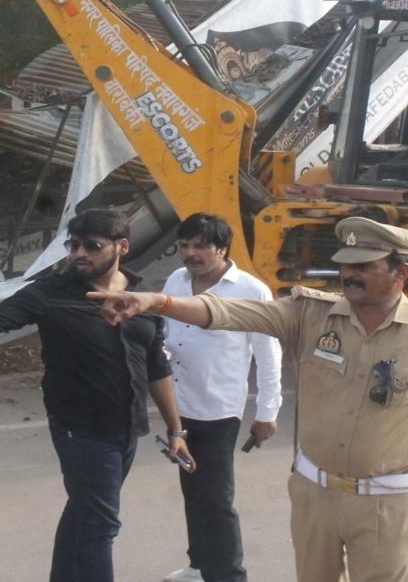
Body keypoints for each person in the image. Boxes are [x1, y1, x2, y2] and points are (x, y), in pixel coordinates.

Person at [89, 217, 408, 582]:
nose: (349, 275)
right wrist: (158, 302)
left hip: (385, 503)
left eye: (363, 266)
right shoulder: (309, 314)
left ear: (401, 271)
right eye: (345, 265)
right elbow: (230, 312)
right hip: (314, 495)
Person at [0, 208, 193, 582]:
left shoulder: (142, 299)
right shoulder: (49, 294)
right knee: (101, 525)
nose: (80, 253)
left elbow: (156, 367)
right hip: (81, 430)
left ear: (121, 247)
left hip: (128, 428)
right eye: (74, 246)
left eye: (92, 246)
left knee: (85, 514)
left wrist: (176, 430)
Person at [161, 213, 282, 582]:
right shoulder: (175, 280)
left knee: (215, 499)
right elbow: (168, 336)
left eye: (200, 246)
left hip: (218, 409)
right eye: (184, 246)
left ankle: (229, 575)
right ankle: (200, 565)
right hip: (178, 408)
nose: (190, 254)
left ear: (222, 249)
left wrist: (267, 412)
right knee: (193, 490)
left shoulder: (250, 290)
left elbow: (268, 353)